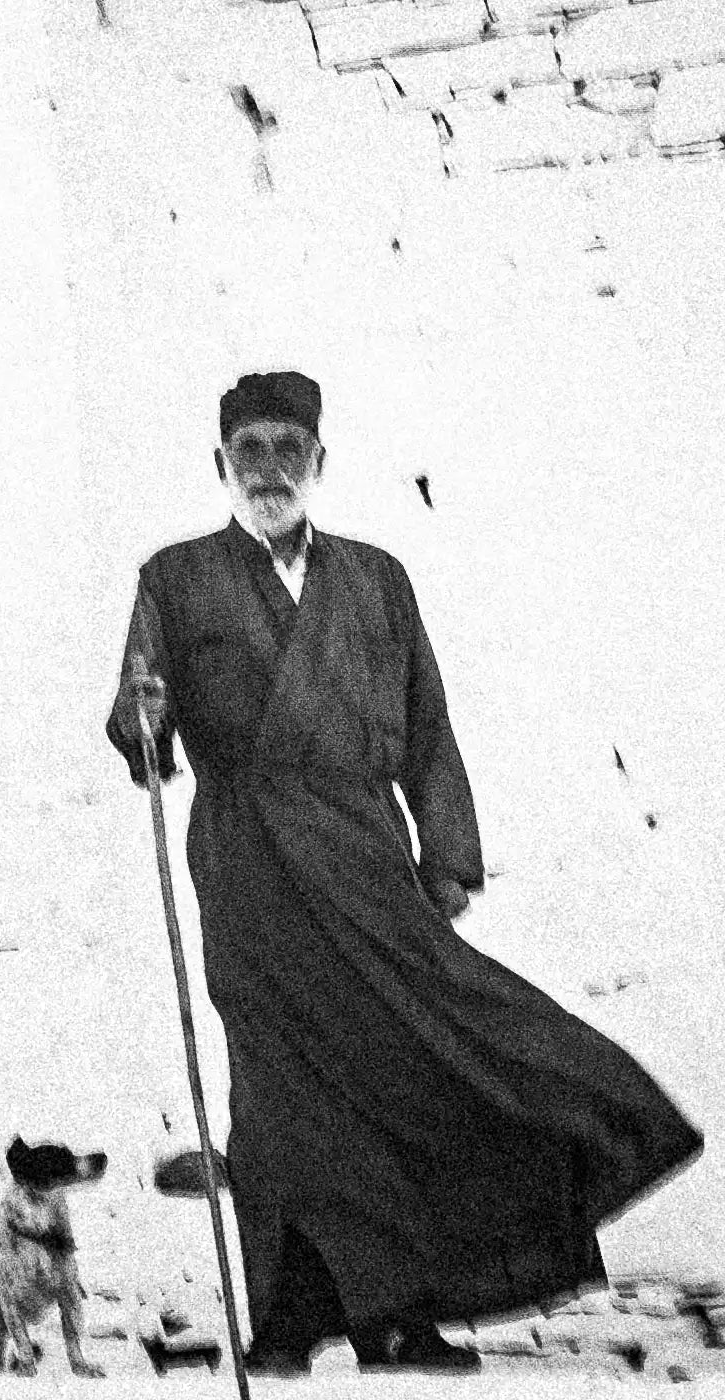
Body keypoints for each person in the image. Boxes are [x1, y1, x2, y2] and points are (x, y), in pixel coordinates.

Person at [107, 370, 704, 1375]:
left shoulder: (377, 579)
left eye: (287, 448)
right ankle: (290, 1317)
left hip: (365, 854)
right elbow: (139, 718)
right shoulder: (174, 576)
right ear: (220, 464)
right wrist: (144, 720)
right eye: (248, 450)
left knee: (414, 1068)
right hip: (250, 859)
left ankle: (401, 1310)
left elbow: (427, 720)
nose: (268, 469)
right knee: (278, 1094)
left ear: (319, 461)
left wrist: (449, 855)